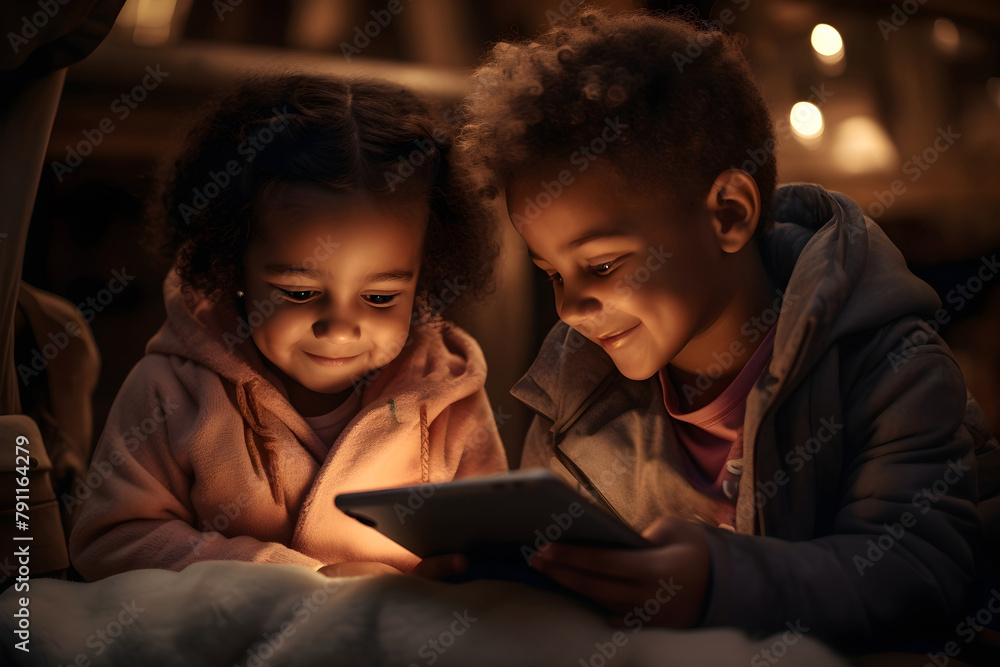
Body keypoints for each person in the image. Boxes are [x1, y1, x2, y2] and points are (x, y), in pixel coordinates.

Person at [458, 8, 1000, 653]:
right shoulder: (574, 401)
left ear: (730, 214)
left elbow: (918, 576)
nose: (571, 308)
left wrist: (721, 579)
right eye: (552, 274)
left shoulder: (886, 367)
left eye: (601, 265)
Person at [68, 73, 508, 581]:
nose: (341, 329)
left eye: (381, 297)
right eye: (300, 293)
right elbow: (111, 541)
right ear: (230, 266)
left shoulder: (450, 397)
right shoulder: (170, 391)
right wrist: (286, 577)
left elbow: (488, 562)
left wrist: (426, 588)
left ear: (428, 275)